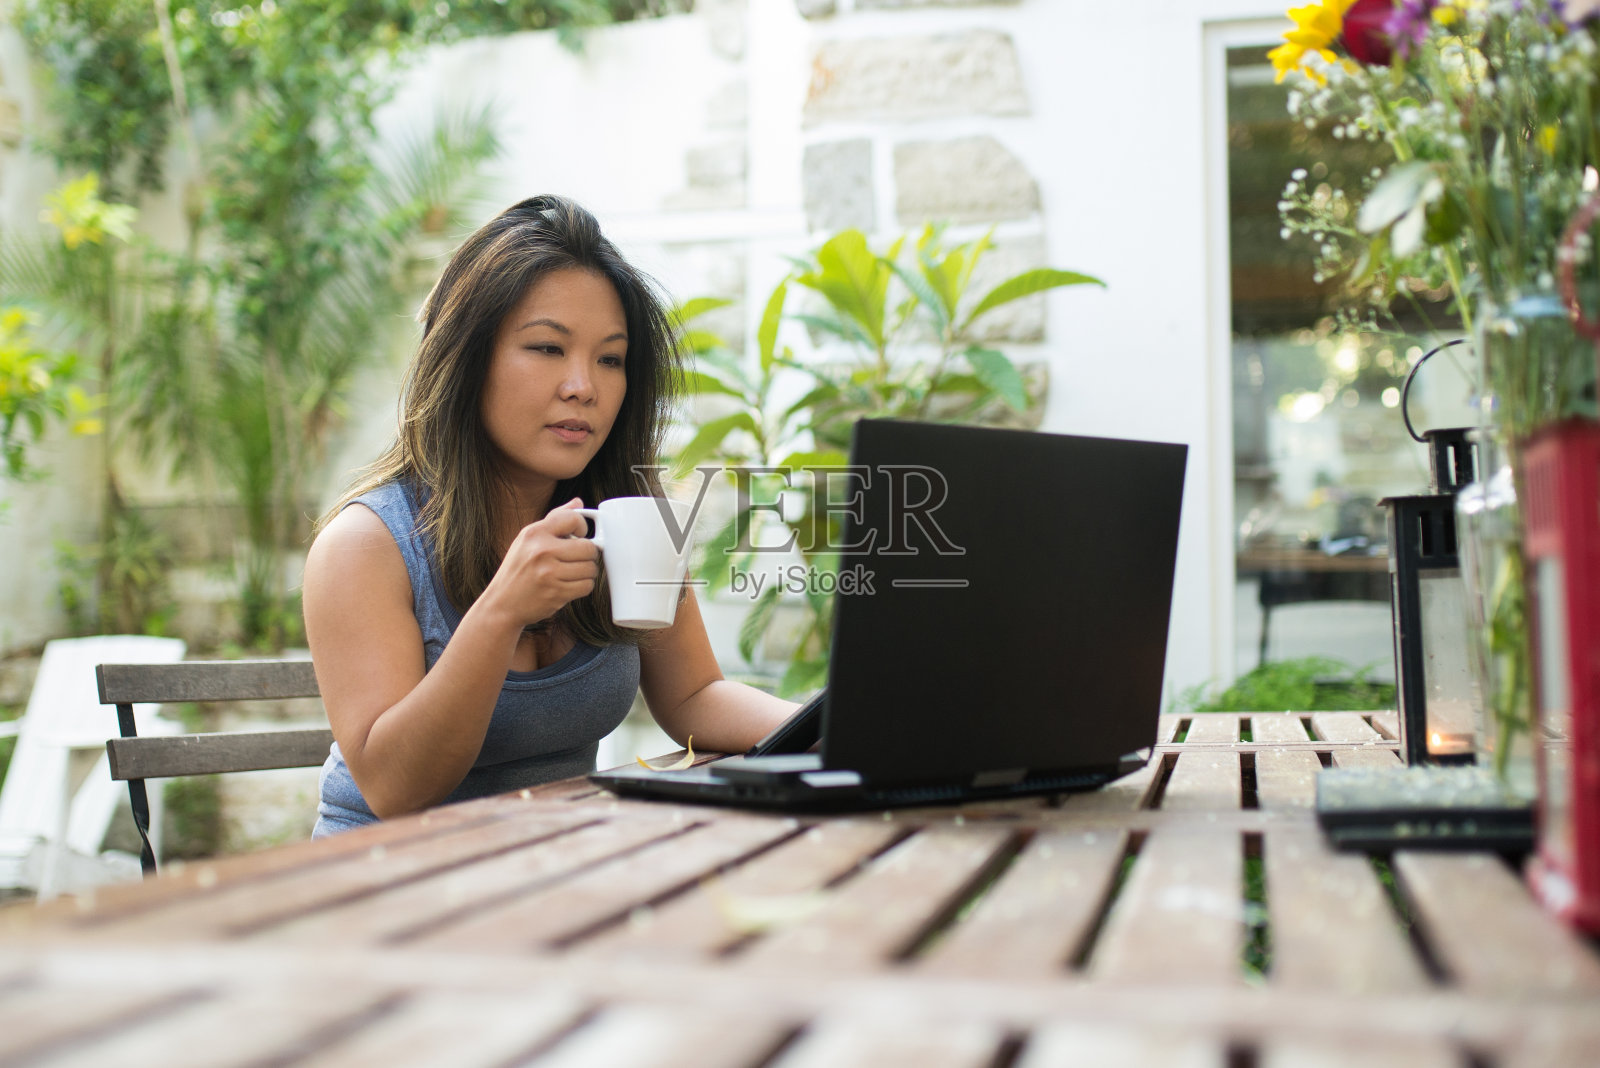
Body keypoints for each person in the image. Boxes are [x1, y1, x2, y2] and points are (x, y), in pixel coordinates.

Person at [303, 195, 795, 836]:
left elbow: (694, 696)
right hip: (385, 889)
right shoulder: (367, 544)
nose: (583, 386)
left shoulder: (627, 522)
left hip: (551, 872)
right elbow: (396, 788)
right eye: (546, 348)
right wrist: (502, 611)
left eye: (610, 359)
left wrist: (836, 726)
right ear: (467, 359)